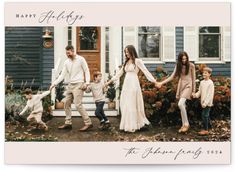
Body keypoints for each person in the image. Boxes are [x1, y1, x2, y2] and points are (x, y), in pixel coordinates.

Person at [105, 45, 159, 132]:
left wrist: (154, 81)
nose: (126, 54)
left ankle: (134, 125)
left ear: (132, 51)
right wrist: (108, 82)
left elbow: (146, 71)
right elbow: (119, 74)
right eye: (125, 52)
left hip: (134, 84)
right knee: (125, 103)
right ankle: (127, 124)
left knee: (132, 103)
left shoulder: (137, 61)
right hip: (126, 84)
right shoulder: (126, 62)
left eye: (127, 51)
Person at [50, 45, 93, 131]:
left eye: (68, 53)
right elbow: (62, 75)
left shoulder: (81, 59)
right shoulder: (66, 62)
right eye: (66, 53)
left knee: (78, 104)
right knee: (66, 103)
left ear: (73, 51)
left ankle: (88, 123)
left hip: (79, 84)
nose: (67, 54)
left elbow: (86, 70)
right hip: (70, 85)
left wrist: (87, 83)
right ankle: (68, 123)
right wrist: (54, 83)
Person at [157, 51, 196, 133]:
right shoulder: (178, 66)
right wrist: (161, 83)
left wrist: (193, 91)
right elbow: (171, 77)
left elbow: (193, 79)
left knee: (180, 104)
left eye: (185, 59)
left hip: (188, 85)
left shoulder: (191, 65)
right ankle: (183, 125)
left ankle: (186, 124)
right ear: (180, 59)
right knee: (182, 105)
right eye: (182, 59)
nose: (184, 60)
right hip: (181, 85)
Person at [192, 67, 214, 135]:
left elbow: (210, 94)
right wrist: (195, 95)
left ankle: (205, 130)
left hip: (207, 102)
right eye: (203, 73)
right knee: (206, 115)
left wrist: (205, 103)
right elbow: (200, 92)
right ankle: (210, 126)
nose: (204, 74)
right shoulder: (202, 82)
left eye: (206, 73)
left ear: (209, 74)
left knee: (204, 115)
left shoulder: (210, 83)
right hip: (203, 102)